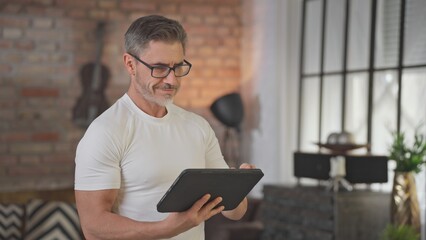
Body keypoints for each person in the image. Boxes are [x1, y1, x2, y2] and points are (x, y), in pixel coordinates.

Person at [74, 15, 255, 240]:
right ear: (130, 64)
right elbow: (93, 226)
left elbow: (234, 212)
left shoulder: (197, 127)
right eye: (159, 68)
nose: (172, 80)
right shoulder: (105, 131)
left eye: (177, 66)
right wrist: (167, 229)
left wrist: (237, 189)